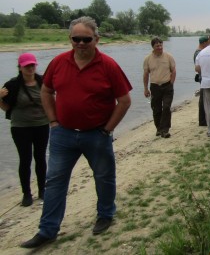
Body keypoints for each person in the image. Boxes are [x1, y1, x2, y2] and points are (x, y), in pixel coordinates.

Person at [21, 16, 132, 248]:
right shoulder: (59, 62)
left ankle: (105, 215)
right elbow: (46, 91)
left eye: (86, 39)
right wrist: (52, 121)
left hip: (97, 134)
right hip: (63, 134)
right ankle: (47, 230)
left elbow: (124, 101)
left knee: (103, 177)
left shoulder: (109, 65)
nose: (81, 43)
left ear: (96, 39)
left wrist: (107, 129)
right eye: (76, 39)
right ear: (69, 39)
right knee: (55, 181)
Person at [0, 53, 48, 207]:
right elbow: (6, 107)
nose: (30, 68)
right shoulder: (12, 85)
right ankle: (26, 194)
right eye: (27, 65)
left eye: (32, 65)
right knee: (25, 159)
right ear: (20, 67)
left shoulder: (43, 81)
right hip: (20, 127)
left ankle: (42, 190)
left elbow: (51, 100)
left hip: (42, 125)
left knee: (40, 157)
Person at [143, 37, 177, 138]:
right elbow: (145, 74)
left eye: (161, 45)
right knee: (156, 109)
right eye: (157, 45)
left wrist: (171, 83)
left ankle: (165, 130)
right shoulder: (148, 59)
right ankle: (159, 128)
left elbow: (174, 70)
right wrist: (145, 88)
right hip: (155, 87)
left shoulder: (168, 56)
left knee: (166, 107)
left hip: (167, 86)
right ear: (153, 47)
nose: (160, 47)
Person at [194, 36, 209, 126]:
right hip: (203, 78)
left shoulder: (199, 52)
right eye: (207, 43)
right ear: (204, 43)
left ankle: (204, 119)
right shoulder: (198, 53)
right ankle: (202, 121)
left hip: (204, 77)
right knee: (203, 99)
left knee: (204, 98)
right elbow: (198, 68)